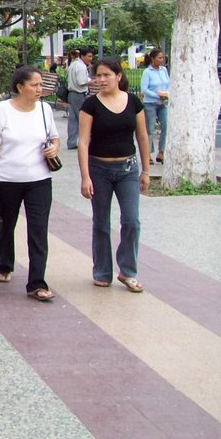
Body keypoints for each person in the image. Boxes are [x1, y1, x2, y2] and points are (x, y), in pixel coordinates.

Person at [0, 67, 60, 302]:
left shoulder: (45, 110)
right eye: (35, 85)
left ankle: (36, 283)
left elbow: (54, 137)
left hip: (39, 179)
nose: (40, 89)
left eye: (41, 85)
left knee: (38, 230)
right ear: (20, 87)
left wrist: (54, 147)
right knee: (7, 225)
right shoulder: (3, 110)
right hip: (8, 179)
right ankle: (5, 264)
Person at [78, 57, 152, 293]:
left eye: (106, 75)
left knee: (131, 221)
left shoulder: (133, 102)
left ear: (119, 76)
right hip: (99, 169)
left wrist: (146, 170)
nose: (101, 80)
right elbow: (82, 141)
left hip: (128, 169)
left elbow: (142, 137)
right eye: (98, 75)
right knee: (101, 222)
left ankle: (128, 271)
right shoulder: (90, 105)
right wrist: (85, 176)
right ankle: (101, 271)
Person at [140, 48, 169, 164]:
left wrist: (167, 94)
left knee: (166, 127)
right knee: (150, 129)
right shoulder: (147, 72)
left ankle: (161, 152)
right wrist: (157, 96)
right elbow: (144, 89)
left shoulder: (164, 70)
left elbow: (169, 84)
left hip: (163, 103)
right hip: (150, 104)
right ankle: (147, 154)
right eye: (159, 58)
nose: (162, 60)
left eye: (163, 58)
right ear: (153, 59)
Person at [66, 47, 94, 149]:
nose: (90, 58)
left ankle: (72, 142)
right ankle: (87, 142)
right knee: (83, 119)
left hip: (72, 94)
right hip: (79, 94)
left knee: (73, 119)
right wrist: (92, 81)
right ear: (82, 56)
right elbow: (81, 82)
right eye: (89, 56)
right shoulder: (81, 67)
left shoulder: (73, 64)